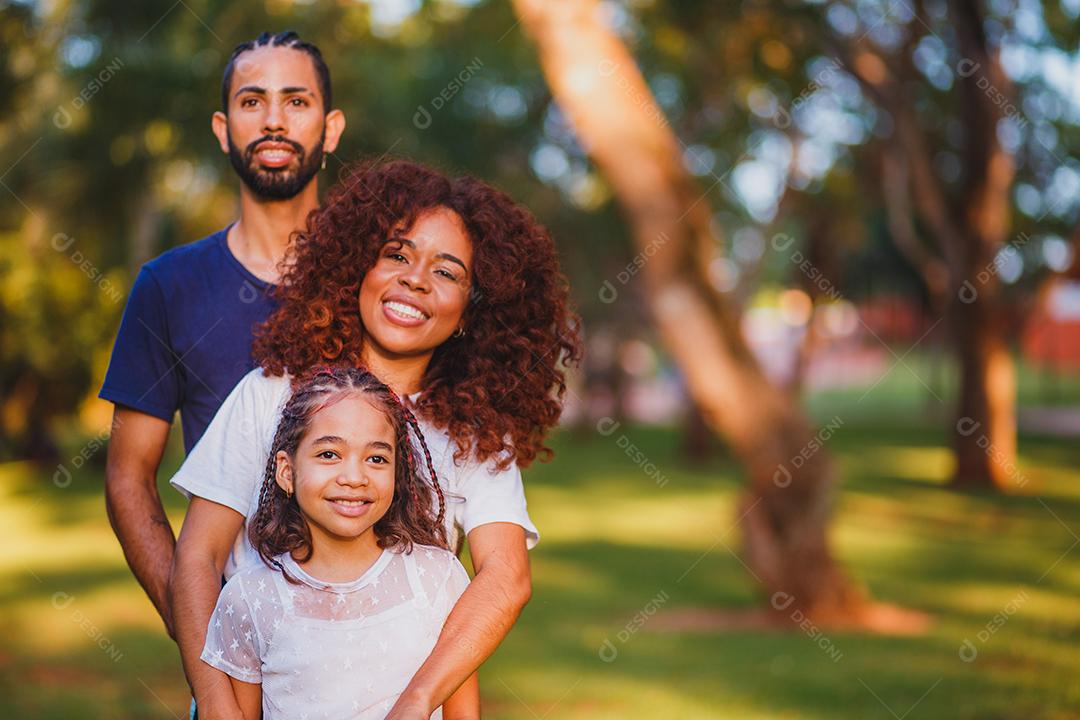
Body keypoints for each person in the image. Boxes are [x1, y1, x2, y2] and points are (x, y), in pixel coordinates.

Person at [171, 157, 581, 719]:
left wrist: (416, 702)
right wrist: (219, 708)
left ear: (468, 312)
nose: (415, 279)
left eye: (447, 271)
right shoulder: (272, 393)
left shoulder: (476, 432)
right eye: (397, 254)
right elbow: (197, 556)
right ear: (357, 269)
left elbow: (505, 578)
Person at [98, 29, 345, 713]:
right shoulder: (168, 286)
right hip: (242, 674)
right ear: (222, 127)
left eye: (295, 101)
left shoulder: (381, 284)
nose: (272, 119)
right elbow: (127, 477)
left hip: (379, 659)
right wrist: (203, 636)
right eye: (251, 101)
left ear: (330, 128)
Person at [202, 365, 479, 719]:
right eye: (329, 454)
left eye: (376, 458)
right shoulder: (249, 600)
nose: (354, 477)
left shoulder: (437, 579)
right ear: (287, 471)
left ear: (398, 473)